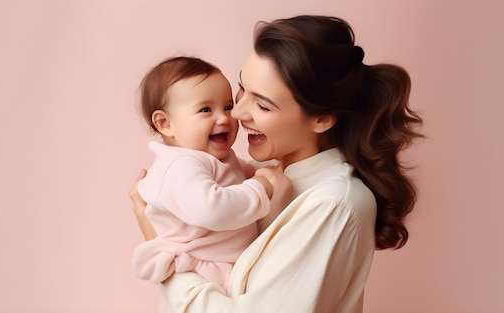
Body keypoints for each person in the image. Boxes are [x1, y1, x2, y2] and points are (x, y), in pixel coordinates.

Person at [130, 15, 423, 312]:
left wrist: (162, 251)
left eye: (262, 104)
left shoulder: (334, 203)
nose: (237, 113)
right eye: (242, 89)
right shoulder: (263, 173)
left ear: (321, 118)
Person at [131, 56, 292, 312]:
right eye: (206, 110)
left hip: (224, 265)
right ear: (165, 123)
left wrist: (268, 170)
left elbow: (240, 173)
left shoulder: (214, 157)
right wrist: (261, 188)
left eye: (227, 106)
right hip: (199, 266)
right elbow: (213, 209)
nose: (225, 118)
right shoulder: (181, 166)